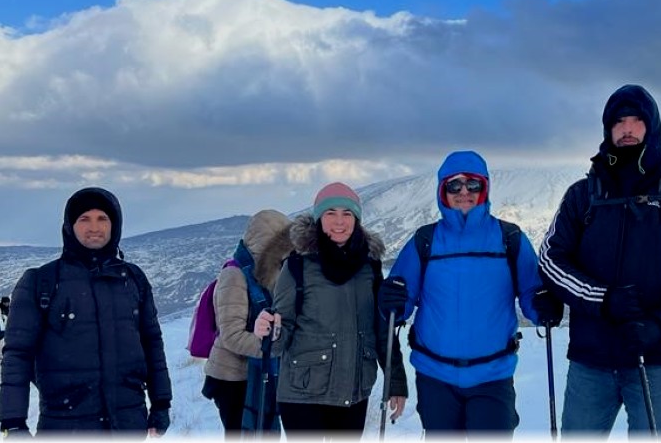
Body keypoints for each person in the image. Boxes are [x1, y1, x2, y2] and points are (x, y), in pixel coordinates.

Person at [538, 84, 661, 436]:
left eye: (636, 120)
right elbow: (551, 259)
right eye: (618, 121)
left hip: (659, 361)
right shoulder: (584, 194)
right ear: (607, 129)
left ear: (651, 126)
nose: (627, 129)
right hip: (591, 358)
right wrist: (603, 298)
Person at [377, 151, 560, 436]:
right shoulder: (425, 241)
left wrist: (543, 306)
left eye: (473, 184)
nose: (464, 192)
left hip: (493, 375)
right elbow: (401, 298)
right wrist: (391, 301)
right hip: (436, 376)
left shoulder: (508, 238)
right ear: (443, 191)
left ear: (484, 188)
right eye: (455, 185)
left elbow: (531, 290)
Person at [0, 186, 173, 435]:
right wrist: (13, 422)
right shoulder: (41, 282)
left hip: (128, 422)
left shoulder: (133, 279)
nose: (94, 227)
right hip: (64, 424)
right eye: (84, 219)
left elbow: (152, 343)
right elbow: (17, 354)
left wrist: (161, 403)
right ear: (70, 226)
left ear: (115, 225)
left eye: (103, 218)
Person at [255, 183, 408, 434]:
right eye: (331, 213)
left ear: (356, 219)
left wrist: (397, 382)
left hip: (353, 392)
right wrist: (268, 329)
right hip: (303, 394)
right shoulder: (296, 266)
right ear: (318, 219)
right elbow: (281, 335)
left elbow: (382, 329)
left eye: (347, 214)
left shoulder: (370, 267)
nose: (339, 221)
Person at [203, 209, 293, 436]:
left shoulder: (269, 274)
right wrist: (271, 349)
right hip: (234, 379)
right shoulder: (234, 275)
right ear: (269, 246)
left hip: (258, 375)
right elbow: (231, 335)